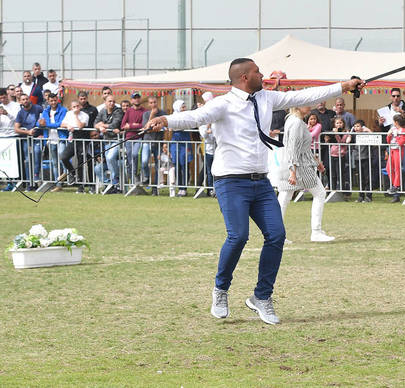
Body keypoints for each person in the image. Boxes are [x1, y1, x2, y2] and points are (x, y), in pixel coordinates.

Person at [144, 57, 363, 325]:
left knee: (277, 235)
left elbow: (305, 95)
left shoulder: (267, 98)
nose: (263, 75)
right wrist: (166, 119)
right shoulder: (223, 103)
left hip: (261, 182)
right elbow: (195, 116)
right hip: (230, 181)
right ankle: (221, 290)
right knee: (238, 236)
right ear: (245, 77)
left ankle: (261, 297)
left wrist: (344, 85)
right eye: (258, 72)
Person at [275, 106, 335, 243]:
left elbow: (300, 147)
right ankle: (316, 231)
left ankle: (276, 234)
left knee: (284, 197)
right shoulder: (296, 123)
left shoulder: (292, 120)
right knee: (319, 193)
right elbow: (294, 148)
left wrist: (316, 161)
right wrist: (293, 171)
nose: (310, 107)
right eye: (307, 104)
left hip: (292, 163)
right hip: (299, 165)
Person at [93, 95, 123, 191]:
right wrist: (100, 127)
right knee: (97, 168)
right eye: (109, 101)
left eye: (113, 101)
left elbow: (115, 125)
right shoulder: (102, 111)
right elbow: (95, 123)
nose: (112, 103)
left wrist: (102, 126)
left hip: (116, 140)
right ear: (105, 102)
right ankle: (109, 185)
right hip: (107, 142)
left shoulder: (118, 111)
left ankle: (115, 181)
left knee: (110, 157)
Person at [13, 94, 44, 188]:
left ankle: (36, 177)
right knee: (27, 160)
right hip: (26, 139)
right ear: (20, 102)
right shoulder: (20, 113)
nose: (25, 100)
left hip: (38, 137)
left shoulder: (38, 108)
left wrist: (43, 130)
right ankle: (28, 182)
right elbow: (16, 129)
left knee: (37, 154)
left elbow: (45, 117)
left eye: (27, 99)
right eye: (23, 99)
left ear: (29, 99)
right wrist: (27, 132)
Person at [385, 113, 405, 202]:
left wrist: (396, 135)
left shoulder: (403, 130)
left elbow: (401, 142)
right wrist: (389, 135)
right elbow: (388, 141)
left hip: (398, 151)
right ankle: (395, 185)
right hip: (392, 150)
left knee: (397, 168)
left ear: (396, 122)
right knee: (388, 169)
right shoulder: (393, 129)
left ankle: (396, 185)